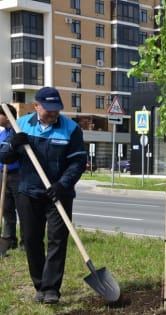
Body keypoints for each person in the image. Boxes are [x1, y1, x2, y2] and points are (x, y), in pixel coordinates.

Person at [0, 87, 86, 304]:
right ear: (36, 106)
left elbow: (78, 163)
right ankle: (39, 285)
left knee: (58, 240)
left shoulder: (71, 129)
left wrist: (62, 184)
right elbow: (5, 157)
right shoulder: (22, 125)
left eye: (57, 110)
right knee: (31, 240)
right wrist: (12, 144)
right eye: (49, 110)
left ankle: (51, 290)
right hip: (28, 192)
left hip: (59, 194)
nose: (54, 114)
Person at [0, 104, 24, 252]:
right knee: (6, 208)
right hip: (2, 175)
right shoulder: (3, 134)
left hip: (17, 174)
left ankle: (25, 242)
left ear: (7, 116)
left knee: (23, 209)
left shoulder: (18, 132)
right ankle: (9, 239)